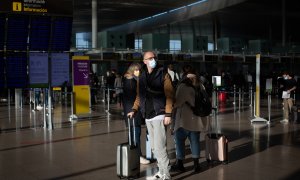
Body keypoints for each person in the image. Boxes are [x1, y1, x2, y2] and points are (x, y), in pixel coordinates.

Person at [128, 51, 174, 180]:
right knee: (154, 147)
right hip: (147, 115)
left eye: (154, 57)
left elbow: (170, 95)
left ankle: (166, 174)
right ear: (144, 61)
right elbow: (139, 96)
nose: (153, 59)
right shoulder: (142, 76)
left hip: (159, 113)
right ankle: (161, 170)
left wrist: (168, 113)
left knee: (160, 146)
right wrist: (134, 109)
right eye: (150, 58)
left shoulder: (163, 74)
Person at [171, 70, 208, 173]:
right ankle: (196, 165)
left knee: (179, 142)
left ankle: (180, 164)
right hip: (197, 120)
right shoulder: (201, 86)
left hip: (184, 121)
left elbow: (177, 103)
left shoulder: (183, 87)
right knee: (195, 142)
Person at [122, 63, 150, 165]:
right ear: (132, 70)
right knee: (135, 133)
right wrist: (133, 110)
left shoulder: (128, 80)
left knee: (133, 133)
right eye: (137, 70)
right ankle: (138, 155)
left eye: (139, 70)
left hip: (131, 110)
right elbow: (134, 97)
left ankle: (133, 154)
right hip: (133, 111)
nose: (139, 72)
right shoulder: (131, 81)